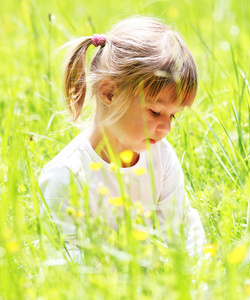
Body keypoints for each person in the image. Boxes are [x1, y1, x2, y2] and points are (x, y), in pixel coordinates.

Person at [39, 16, 206, 260]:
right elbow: (65, 264)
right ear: (109, 93)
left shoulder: (161, 156)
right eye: (155, 112)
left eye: (173, 116)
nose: (166, 128)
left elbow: (180, 227)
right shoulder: (67, 176)